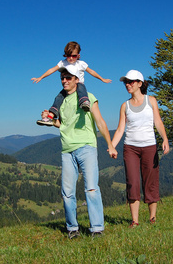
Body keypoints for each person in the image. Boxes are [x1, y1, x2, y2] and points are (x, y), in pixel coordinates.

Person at [40, 65, 117, 239]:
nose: (64, 81)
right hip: (67, 150)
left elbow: (100, 122)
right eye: (62, 78)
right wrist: (49, 119)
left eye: (68, 78)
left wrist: (110, 145)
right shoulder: (61, 102)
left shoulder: (88, 98)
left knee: (91, 189)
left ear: (77, 79)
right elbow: (63, 124)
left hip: (86, 147)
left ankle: (97, 229)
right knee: (67, 192)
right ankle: (72, 229)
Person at [111, 69, 169, 228]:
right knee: (133, 182)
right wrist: (112, 146)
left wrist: (165, 139)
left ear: (140, 84)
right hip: (130, 148)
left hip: (150, 146)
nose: (127, 85)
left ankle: (152, 218)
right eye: (126, 82)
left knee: (150, 181)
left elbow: (158, 122)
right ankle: (134, 221)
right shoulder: (125, 106)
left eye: (131, 82)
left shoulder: (151, 101)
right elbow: (120, 129)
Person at [32, 41, 112, 126]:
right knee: (58, 97)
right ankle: (50, 116)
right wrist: (41, 77)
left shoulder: (80, 63)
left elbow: (91, 71)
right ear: (65, 55)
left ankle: (84, 102)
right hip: (68, 86)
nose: (71, 58)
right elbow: (52, 69)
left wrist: (102, 79)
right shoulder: (63, 63)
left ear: (78, 55)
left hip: (78, 83)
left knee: (81, 89)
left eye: (74, 56)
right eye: (68, 55)